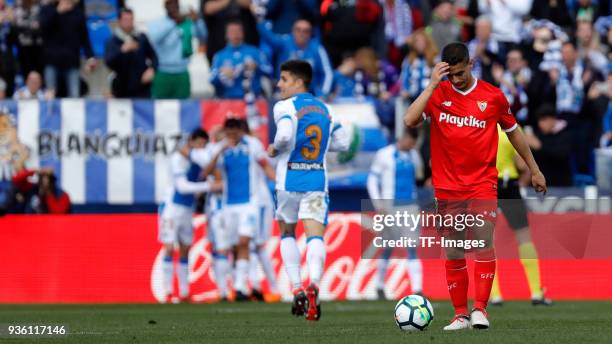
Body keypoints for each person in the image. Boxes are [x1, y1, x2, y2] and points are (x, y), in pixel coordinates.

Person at [404, 42, 547, 330]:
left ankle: (481, 309)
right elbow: (409, 120)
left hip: (482, 183)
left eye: (459, 73)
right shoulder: (438, 93)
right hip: (446, 187)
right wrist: (432, 85)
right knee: (455, 250)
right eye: (450, 75)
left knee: (483, 242)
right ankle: (460, 314)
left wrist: (534, 169)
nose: (455, 80)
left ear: (470, 64)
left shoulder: (492, 97)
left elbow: (514, 132)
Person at [268, 60, 349, 320]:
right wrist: (323, 147)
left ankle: (296, 289)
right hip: (316, 181)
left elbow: (283, 136)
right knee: (315, 237)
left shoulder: (284, 106)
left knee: (287, 232)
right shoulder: (327, 109)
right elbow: (343, 142)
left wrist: (275, 148)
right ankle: (314, 282)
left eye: (283, 79)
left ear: (298, 81)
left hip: (287, 181)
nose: (279, 84)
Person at [191, 118, 275, 301]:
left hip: (249, 203)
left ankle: (239, 287)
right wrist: (220, 150)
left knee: (245, 241)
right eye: (229, 132)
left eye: (235, 132)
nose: (232, 135)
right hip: (228, 205)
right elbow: (207, 172)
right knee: (233, 246)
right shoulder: (219, 148)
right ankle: (238, 287)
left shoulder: (252, 144)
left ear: (240, 131)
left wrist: (277, 181)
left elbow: (264, 164)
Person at [490, 124, 552, 306]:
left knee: (487, 240)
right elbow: (521, 164)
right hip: (509, 187)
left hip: (486, 185)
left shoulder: (480, 128)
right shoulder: (510, 131)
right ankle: (535, 292)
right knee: (524, 237)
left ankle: (494, 294)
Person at [158, 129, 219, 303]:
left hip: (186, 209)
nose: (201, 148)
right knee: (169, 247)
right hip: (170, 208)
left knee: (185, 249)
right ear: (191, 142)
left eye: (203, 145)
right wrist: (210, 186)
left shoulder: (199, 161)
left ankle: (184, 292)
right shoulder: (178, 159)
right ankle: (168, 292)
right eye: (198, 144)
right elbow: (182, 187)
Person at [367, 128, 424, 300]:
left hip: (411, 206)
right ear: (405, 138)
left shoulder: (414, 155)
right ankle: (379, 286)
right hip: (390, 206)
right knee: (387, 247)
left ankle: (417, 289)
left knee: (412, 247)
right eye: (411, 143)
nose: (412, 146)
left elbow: (419, 177)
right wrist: (378, 204)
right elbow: (372, 180)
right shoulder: (384, 154)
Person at [255, 17, 333, 97]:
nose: (301, 34)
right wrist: (259, 21)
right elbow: (269, 37)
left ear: (310, 34)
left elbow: (327, 73)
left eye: (305, 31)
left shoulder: (317, 49)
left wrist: (323, 94)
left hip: (309, 95)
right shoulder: (285, 42)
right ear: (293, 31)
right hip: (283, 95)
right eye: (298, 30)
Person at [148, 0, 207, 99]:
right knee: (159, 107)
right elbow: (154, 39)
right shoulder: (157, 22)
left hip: (182, 72)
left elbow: (203, 36)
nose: (173, 7)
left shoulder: (187, 22)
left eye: (175, 3)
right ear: (165, 6)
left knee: (183, 108)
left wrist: (197, 21)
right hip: (162, 72)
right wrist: (174, 22)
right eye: (170, 4)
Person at [40, 0, 96, 98]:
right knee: (50, 96)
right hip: (51, 61)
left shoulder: (78, 13)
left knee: (74, 95)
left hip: (71, 62)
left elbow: (84, 38)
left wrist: (90, 57)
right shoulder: (48, 9)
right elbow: (43, 28)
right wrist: (57, 12)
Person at [210, 21, 272, 99]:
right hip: (228, 102)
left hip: (253, 99)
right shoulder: (219, 55)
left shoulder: (255, 51)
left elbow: (269, 71)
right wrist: (221, 73)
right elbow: (211, 79)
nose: (235, 34)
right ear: (226, 35)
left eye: (238, 31)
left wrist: (256, 66)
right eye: (232, 32)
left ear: (243, 33)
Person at [104, 8, 158, 98]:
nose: (129, 23)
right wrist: (122, 50)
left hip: (142, 88)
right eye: (126, 20)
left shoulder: (141, 38)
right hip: (122, 89)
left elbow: (154, 57)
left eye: (131, 19)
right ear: (119, 21)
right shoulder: (113, 41)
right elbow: (109, 62)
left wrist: (152, 69)